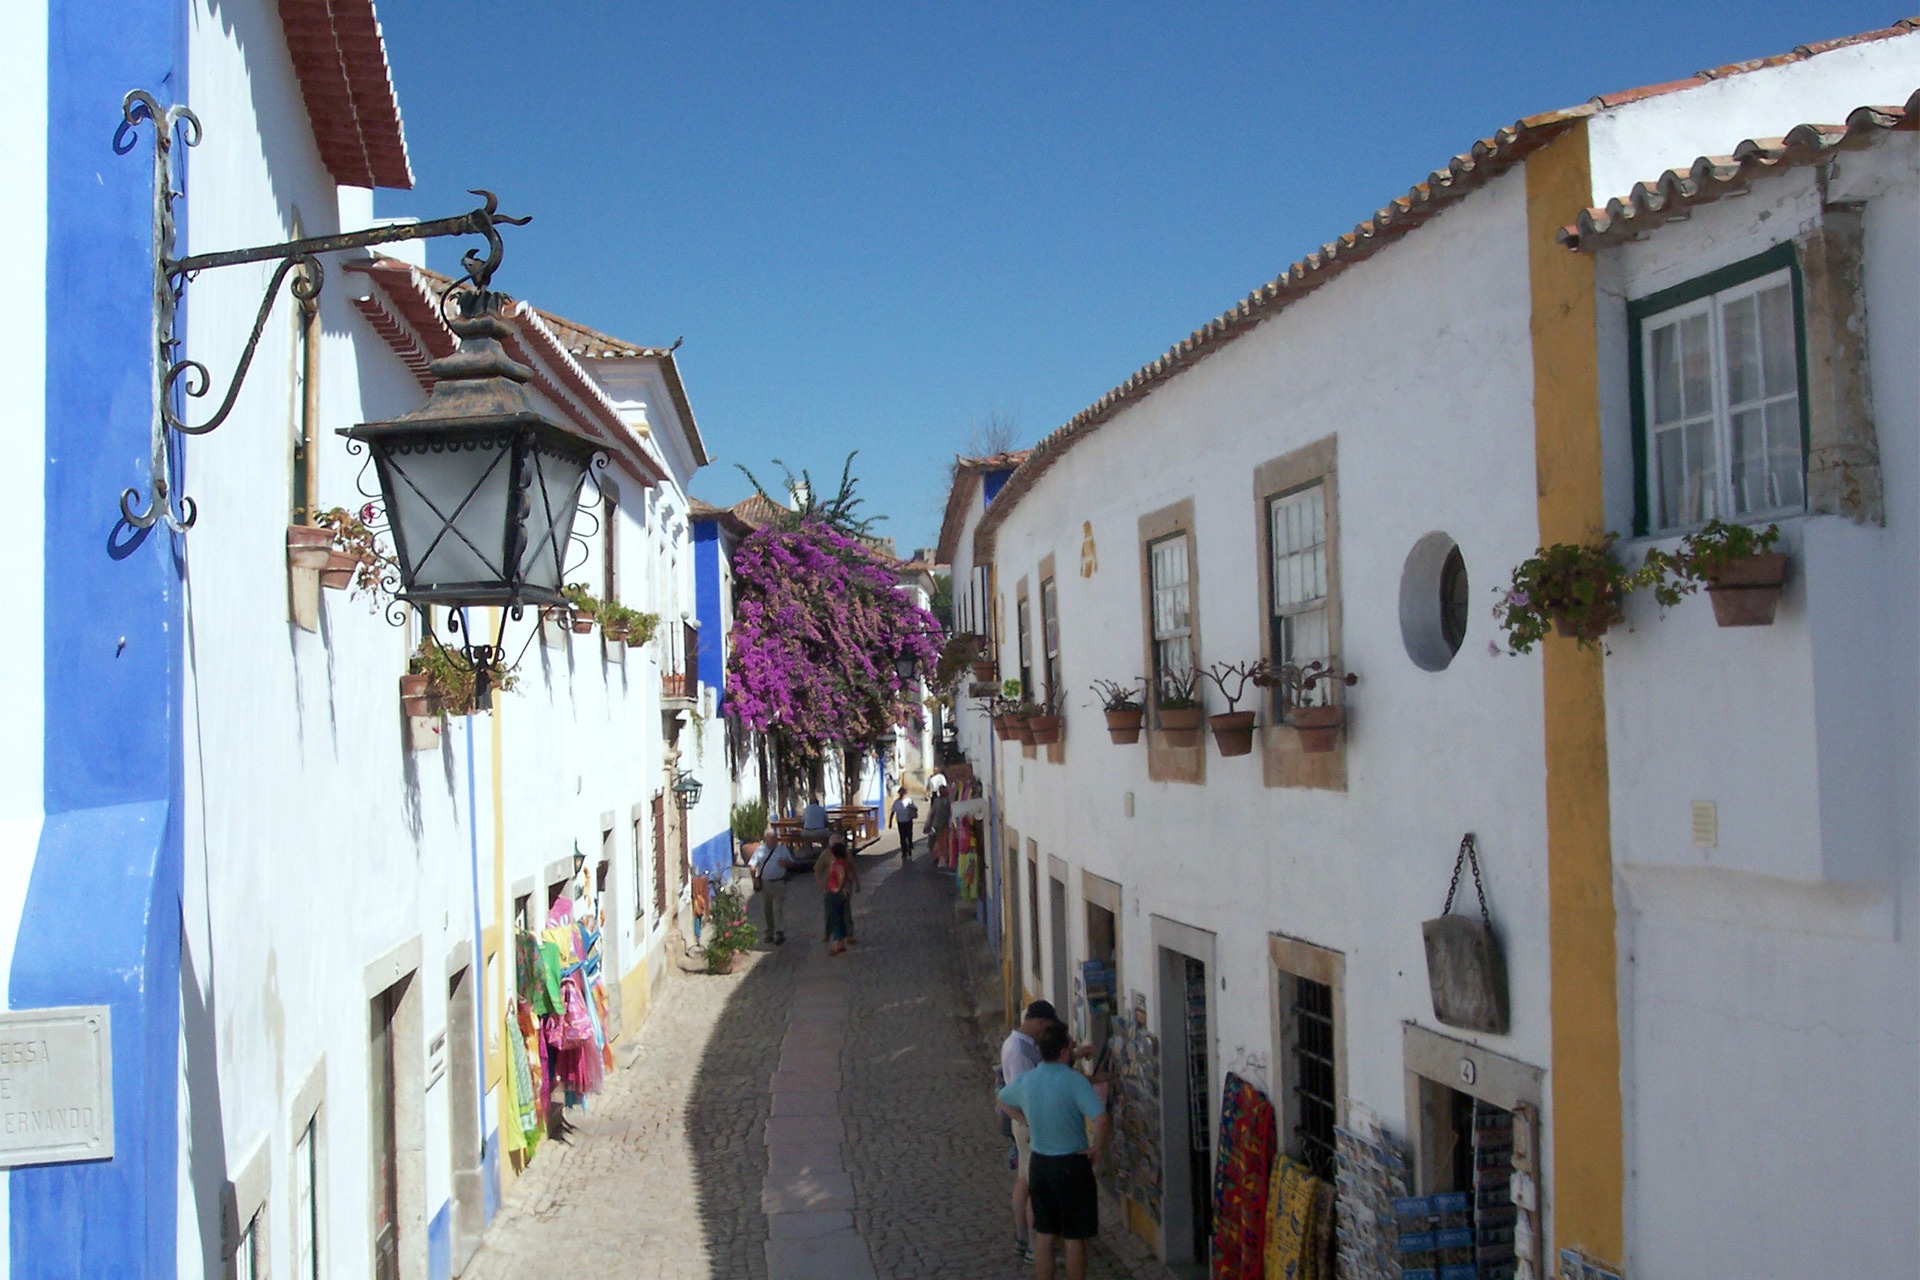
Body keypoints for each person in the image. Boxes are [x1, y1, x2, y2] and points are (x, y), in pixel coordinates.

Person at [997, 1021, 1108, 1280]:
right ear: (1064, 1051)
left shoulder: (1029, 1079)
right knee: (1074, 1236)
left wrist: (1027, 1121)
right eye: (1071, 1044)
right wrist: (1097, 1147)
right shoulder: (1074, 1080)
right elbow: (1101, 1117)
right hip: (1071, 1164)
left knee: (1045, 1235)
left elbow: (1001, 1099)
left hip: (1040, 1164)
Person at [999, 1000, 1055, 1263]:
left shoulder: (1020, 1044)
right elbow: (1028, 1092)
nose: (1046, 1034)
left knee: (1024, 1179)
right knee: (1035, 1187)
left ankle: (1022, 1240)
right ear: (1040, 1022)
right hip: (1029, 1122)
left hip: (1022, 1122)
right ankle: (1035, 1247)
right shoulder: (1019, 1051)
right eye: (1047, 1028)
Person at [815, 833, 861, 943]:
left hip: (844, 885)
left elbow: (853, 868)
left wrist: (857, 883)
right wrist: (820, 884)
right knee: (829, 912)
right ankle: (828, 933)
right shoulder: (825, 855)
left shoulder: (846, 854)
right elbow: (817, 869)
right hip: (830, 886)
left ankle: (849, 934)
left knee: (846, 910)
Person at [749, 832, 792, 945]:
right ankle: (769, 932)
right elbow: (752, 864)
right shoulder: (760, 850)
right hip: (765, 883)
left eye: (775, 838)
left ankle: (779, 932)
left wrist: (785, 863)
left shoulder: (782, 849)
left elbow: (791, 863)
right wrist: (754, 878)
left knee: (778, 908)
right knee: (767, 908)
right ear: (766, 839)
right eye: (771, 838)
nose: (774, 840)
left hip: (779, 882)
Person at [820, 840, 855, 955]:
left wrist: (838, 888)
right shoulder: (844, 862)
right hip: (840, 892)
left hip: (835, 893)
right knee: (840, 917)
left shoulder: (837, 864)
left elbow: (841, 875)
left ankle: (836, 944)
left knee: (835, 918)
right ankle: (841, 943)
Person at [890, 787, 918, 861]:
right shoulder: (896, 802)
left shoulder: (909, 800)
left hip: (908, 820)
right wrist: (890, 822)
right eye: (900, 793)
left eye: (903, 793)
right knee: (902, 838)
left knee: (909, 836)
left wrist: (912, 808)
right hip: (900, 822)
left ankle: (909, 850)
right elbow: (892, 812)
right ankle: (904, 853)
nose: (902, 794)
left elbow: (915, 809)